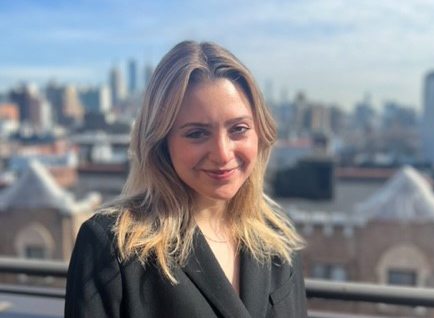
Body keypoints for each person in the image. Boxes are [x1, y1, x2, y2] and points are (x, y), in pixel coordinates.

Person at [65, 40, 307, 318]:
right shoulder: (113, 247)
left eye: (238, 129)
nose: (222, 153)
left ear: (260, 132)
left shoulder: (276, 233)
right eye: (196, 133)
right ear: (161, 141)